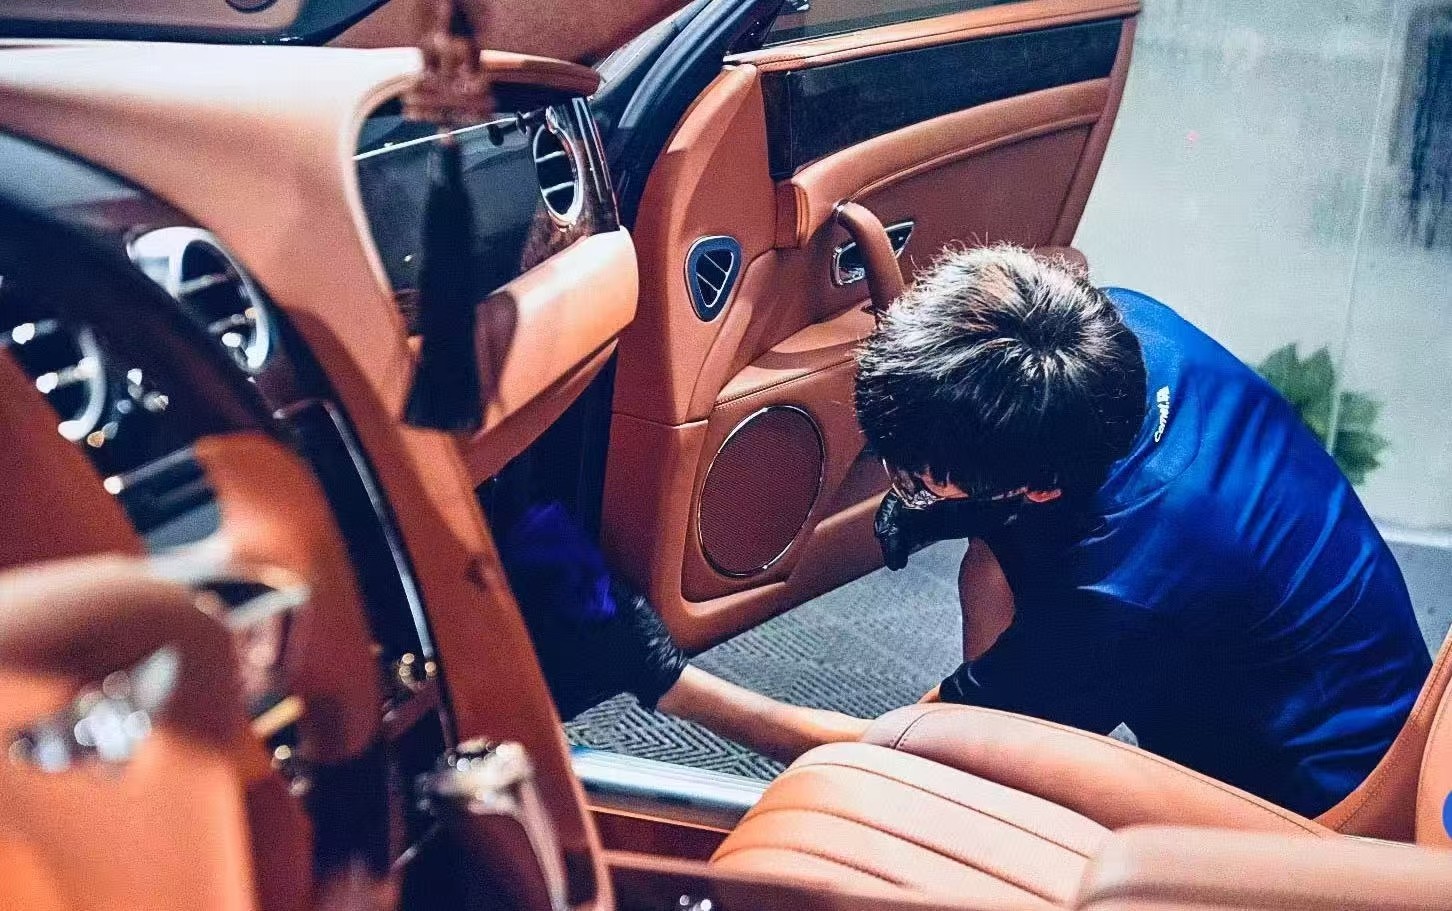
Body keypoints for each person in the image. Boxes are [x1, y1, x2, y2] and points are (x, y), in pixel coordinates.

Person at [504, 244, 1431, 818]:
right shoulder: (1118, 331)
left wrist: (663, 678)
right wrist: (948, 496)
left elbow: (893, 744)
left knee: (935, 754)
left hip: (1307, 806)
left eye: (918, 472)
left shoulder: (1117, 590)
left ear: (1036, 486)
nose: (898, 479)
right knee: (990, 579)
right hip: (1304, 649)